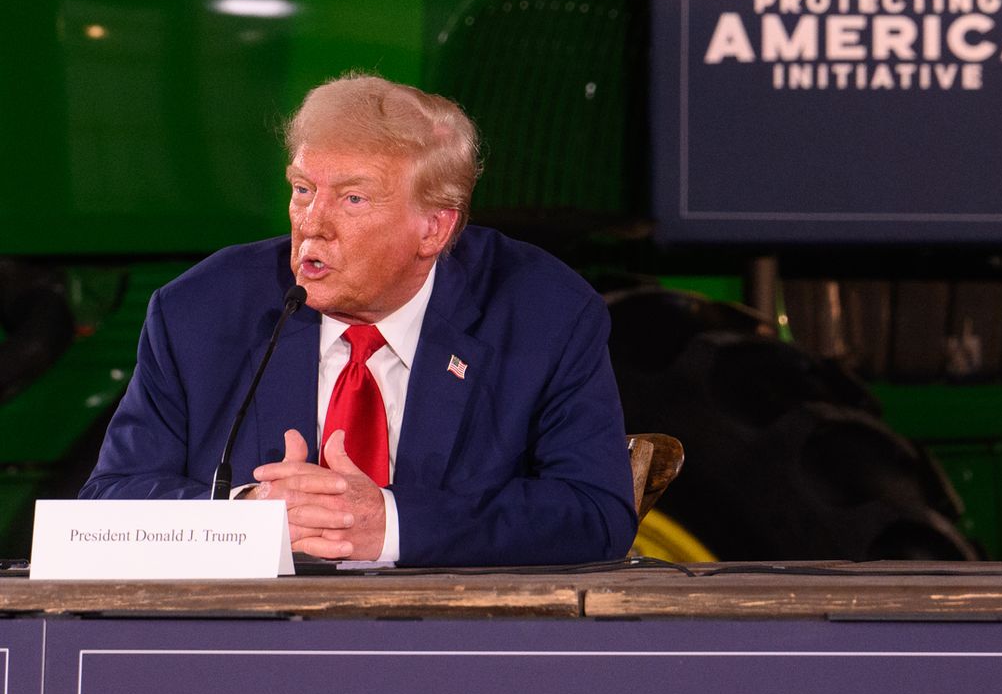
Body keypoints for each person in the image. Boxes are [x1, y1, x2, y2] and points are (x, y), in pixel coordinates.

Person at [82, 74, 638, 565]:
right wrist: (245, 516)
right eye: (302, 190)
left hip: (455, 645)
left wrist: (388, 524)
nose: (312, 224)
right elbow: (107, 503)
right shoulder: (200, 310)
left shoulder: (544, 312)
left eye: (352, 199)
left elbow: (594, 511)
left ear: (434, 230)